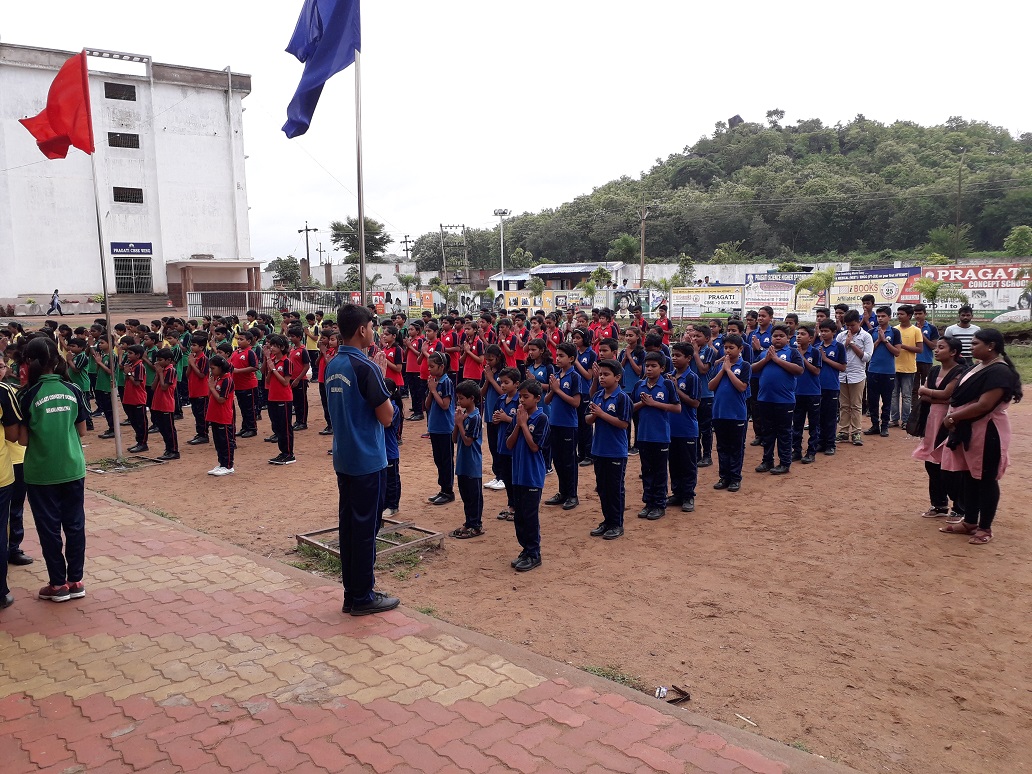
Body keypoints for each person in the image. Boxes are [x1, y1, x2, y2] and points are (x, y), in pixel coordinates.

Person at [326, 304, 399, 615]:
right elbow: (387, 416)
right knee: (366, 530)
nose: (374, 331)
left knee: (350, 528)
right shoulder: (365, 367)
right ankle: (363, 597)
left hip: (345, 458)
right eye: (372, 326)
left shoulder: (333, 364)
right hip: (368, 460)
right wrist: (380, 376)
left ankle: (351, 593)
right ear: (362, 330)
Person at [18, 336, 88, 603]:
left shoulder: (27, 394)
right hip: (72, 467)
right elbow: (81, 430)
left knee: (49, 528)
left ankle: (57, 585)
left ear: (29, 362)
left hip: (41, 471)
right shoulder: (73, 389)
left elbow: (23, 440)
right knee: (74, 525)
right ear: (57, 360)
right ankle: (76, 581)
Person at [939, 329, 1022, 545]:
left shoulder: (999, 372)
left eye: (976, 343)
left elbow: (984, 405)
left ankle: (985, 527)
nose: (972, 347)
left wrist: (953, 417)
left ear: (991, 346)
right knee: (969, 476)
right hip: (970, 430)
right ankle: (969, 521)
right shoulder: (979, 366)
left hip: (988, 432)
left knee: (986, 479)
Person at [912, 337, 966, 520]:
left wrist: (928, 393)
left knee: (950, 466)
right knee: (931, 463)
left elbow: (949, 395)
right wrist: (937, 396)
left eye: (941, 348)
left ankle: (960, 507)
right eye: (936, 347)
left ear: (953, 352)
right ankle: (939, 504)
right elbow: (939, 395)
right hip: (932, 420)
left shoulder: (960, 372)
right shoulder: (934, 370)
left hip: (950, 421)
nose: (936, 350)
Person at [505, 379, 549, 572]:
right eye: (520, 397)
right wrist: (517, 424)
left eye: (526, 397)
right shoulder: (518, 417)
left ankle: (534, 553)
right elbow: (508, 444)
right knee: (519, 515)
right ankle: (525, 549)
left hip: (532, 475)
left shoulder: (541, 419)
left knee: (530, 516)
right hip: (518, 474)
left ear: (537, 398)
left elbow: (534, 446)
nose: (521, 401)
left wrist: (523, 425)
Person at [633, 352, 680, 520]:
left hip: (660, 436)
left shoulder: (667, 385)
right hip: (643, 435)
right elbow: (631, 407)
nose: (650, 369)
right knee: (646, 471)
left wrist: (655, 403)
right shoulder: (640, 385)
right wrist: (642, 403)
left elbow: (677, 408)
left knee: (659, 471)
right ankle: (648, 502)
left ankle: (659, 504)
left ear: (662, 368)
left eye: (654, 366)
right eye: (647, 366)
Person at [751, 324, 803, 474]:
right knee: (767, 432)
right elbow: (752, 369)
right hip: (765, 399)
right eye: (775, 336)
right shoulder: (764, 353)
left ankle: (785, 462)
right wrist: (767, 359)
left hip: (784, 401)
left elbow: (799, 370)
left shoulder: (792, 352)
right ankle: (767, 461)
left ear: (788, 339)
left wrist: (776, 359)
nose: (778, 338)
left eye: (781, 336)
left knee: (784, 432)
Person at [709, 335, 751, 491]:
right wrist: (722, 369)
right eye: (725, 347)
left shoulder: (745, 365)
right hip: (719, 413)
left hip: (737, 414)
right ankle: (724, 476)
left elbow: (741, 387)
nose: (727, 350)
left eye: (731, 347)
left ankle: (735, 478)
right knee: (722, 447)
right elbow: (711, 386)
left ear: (740, 349)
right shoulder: (719, 365)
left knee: (736, 447)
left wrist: (728, 370)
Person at [543, 342, 581, 510]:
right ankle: (562, 491)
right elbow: (546, 400)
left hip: (568, 425)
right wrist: (553, 389)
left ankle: (572, 494)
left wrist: (558, 390)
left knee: (569, 461)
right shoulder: (557, 375)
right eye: (556, 355)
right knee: (557, 459)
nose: (557, 358)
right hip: (554, 423)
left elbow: (576, 402)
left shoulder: (574, 377)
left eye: (561, 356)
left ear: (571, 359)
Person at [450, 380, 484, 539]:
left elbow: (468, 441)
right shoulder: (464, 417)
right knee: (465, 494)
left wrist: (460, 423)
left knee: (473, 496)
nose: (459, 401)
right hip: (463, 463)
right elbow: (455, 439)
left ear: (472, 398)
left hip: (472, 464)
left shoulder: (475, 417)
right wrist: (458, 423)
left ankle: (476, 525)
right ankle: (469, 522)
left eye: (462, 398)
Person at [668, 342, 700, 513]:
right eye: (673, 355)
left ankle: (688, 495)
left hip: (686, 428)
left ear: (688, 358)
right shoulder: (669, 376)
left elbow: (695, 403)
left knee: (687, 464)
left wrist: (676, 389)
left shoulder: (691, 377)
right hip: (670, 429)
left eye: (678, 355)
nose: (674, 358)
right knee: (673, 463)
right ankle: (677, 492)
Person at [835, 310, 873, 447]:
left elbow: (867, 357)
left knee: (856, 405)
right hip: (842, 375)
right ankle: (844, 431)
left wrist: (852, 344)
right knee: (844, 405)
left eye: (852, 325)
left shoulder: (866, 336)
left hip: (857, 375)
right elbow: (836, 354)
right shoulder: (840, 336)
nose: (849, 328)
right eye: (847, 325)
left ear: (858, 322)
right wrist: (845, 343)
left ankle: (856, 432)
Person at [425, 352, 456, 505]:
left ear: (442, 366)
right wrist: (431, 390)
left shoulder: (446, 382)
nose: (429, 369)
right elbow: (427, 405)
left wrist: (433, 390)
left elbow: (445, 405)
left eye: (432, 366)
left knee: (446, 460)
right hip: (435, 427)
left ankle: (448, 491)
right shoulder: (435, 381)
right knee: (438, 459)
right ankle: (442, 489)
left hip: (445, 427)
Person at [865, 306, 901, 438]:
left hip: (888, 372)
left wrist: (885, 341)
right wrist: (878, 340)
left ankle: (885, 426)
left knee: (887, 400)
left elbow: (897, 352)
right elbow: (868, 352)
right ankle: (875, 425)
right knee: (873, 400)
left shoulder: (895, 332)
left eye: (883, 316)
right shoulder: (871, 332)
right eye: (878, 316)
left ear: (889, 317)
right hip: (873, 370)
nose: (880, 318)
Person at [491, 368, 521, 522]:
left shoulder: (520, 400)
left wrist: (506, 418)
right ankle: (511, 505)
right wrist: (497, 419)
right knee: (507, 478)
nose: (502, 385)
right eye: (501, 382)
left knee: (516, 477)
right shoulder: (501, 400)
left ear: (516, 384)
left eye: (506, 382)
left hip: (515, 447)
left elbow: (522, 423)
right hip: (502, 444)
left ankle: (518, 506)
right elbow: (496, 419)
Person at [263, 334, 296, 465]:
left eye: (275, 346)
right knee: (277, 426)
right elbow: (267, 380)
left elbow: (285, 382)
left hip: (284, 398)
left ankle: (289, 453)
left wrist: (274, 369)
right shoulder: (272, 360)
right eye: (271, 345)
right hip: (273, 397)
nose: (272, 348)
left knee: (285, 427)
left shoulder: (287, 362)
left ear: (282, 347)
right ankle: (283, 452)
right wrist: (270, 368)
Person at [792, 325, 822, 464]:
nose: (798, 336)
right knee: (797, 424)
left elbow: (816, 371)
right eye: (798, 333)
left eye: (802, 334)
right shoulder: (792, 352)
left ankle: (811, 452)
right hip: (796, 393)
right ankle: (796, 451)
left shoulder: (815, 352)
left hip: (812, 393)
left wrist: (802, 357)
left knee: (813, 424)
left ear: (810, 338)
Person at [816, 320, 846, 455]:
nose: (823, 333)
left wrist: (826, 359)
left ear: (834, 332)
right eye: (821, 331)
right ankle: (820, 442)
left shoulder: (839, 347)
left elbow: (842, 367)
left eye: (826, 331)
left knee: (830, 417)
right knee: (818, 416)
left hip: (832, 387)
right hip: (817, 387)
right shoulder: (817, 347)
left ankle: (830, 444)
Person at [890, 304, 921, 429]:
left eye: (901, 314)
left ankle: (906, 420)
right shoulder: (894, 329)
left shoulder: (916, 330)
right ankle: (895, 419)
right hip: (894, 367)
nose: (899, 316)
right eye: (898, 314)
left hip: (908, 368)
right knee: (893, 395)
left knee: (907, 396)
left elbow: (920, 349)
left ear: (909, 316)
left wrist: (902, 346)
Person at [151, 349, 181, 461]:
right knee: (162, 428)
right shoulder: (162, 370)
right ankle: (168, 449)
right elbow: (153, 387)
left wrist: (160, 373)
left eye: (160, 360)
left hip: (166, 403)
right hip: (158, 402)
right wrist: (158, 374)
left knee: (169, 429)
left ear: (168, 360)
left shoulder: (170, 370)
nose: (158, 363)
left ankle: (174, 450)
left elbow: (164, 387)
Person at [230, 331, 260, 438]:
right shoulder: (235, 352)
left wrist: (239, 371)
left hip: (249, 385)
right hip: (238, 385)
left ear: (248, 341)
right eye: (238, 339)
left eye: (241, 339)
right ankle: (245, 427)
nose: (238, 341)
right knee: (242, 408)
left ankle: (252, 428)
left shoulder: (250, 352)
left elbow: (255, 367)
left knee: (249, 408)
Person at [122, 344, 149, 453]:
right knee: (133, 421)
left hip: (138, 398)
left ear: (138, 355)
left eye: (130, 353)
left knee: (140, 422)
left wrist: (128, 373)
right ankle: (139, 441)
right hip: (129, 398)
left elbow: (137, 383)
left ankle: (143, 443)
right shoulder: (131, 365)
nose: (128, 355)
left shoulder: (139, 366)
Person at [383, 383, 403, 518]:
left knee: (392, 480)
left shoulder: (394, 408)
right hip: (381, 451)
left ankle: (393, 506)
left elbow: (386, 423)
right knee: (383, 480)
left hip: (390, 451)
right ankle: (385, 504)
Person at [186, 334, 210, 445]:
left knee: (201, 414)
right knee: (196, 413)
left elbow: (202, 375)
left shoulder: (204, 359)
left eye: (194, 345)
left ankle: (203, 435)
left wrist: (192, 363)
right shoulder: (193, 358)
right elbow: (187, 374)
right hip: (193, 390)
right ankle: (199, 433)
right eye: (191, 345)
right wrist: (190, 363)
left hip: (202, 391)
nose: (191, 347)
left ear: (201, 347)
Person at [287, 326, 311, 432]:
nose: (291, 338)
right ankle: (297, 420)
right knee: (295, 402)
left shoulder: (302, 350)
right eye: (290, 336)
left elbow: (306, 366)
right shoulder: (292, 349)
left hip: (300, 380)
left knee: (302, 402)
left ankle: (303, 422)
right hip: (292, 379)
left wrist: (298, 379)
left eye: (293, 336)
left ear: (299, 337)